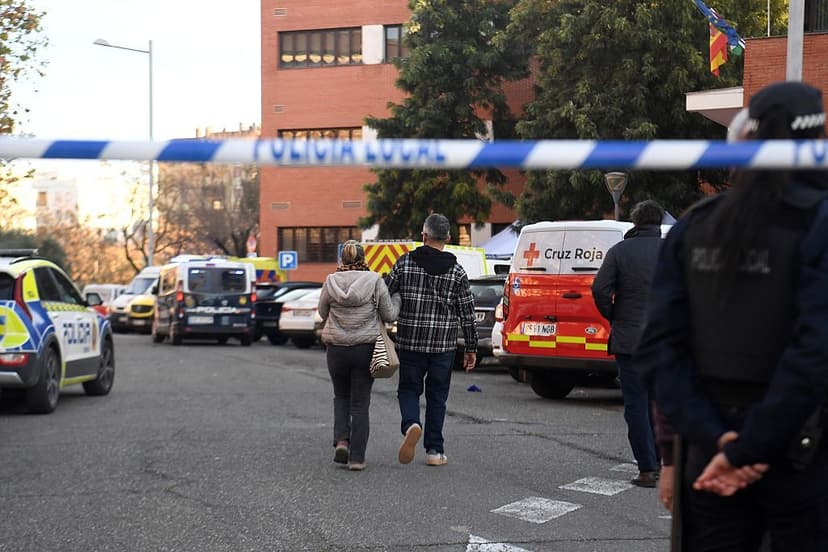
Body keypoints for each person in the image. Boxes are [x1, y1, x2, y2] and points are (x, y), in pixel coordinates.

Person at [636, 80, 828, 551]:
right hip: (802, 456)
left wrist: (718, 441)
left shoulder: (695, 227)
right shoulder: (817, 222)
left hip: (709, 456)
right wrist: (750, 446)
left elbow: (659, 349)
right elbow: (815, 351)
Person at [386, 213, 477, 467]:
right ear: (448, 238)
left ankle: (411, 424)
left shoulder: (404, 264)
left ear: (423, 235)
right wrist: (471, 348)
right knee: (437, 397)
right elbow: (467, 313)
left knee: (408, 389)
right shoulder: (457, 272)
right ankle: (435, 451)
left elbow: (384, 295)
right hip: (442, 346)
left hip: (410, 342)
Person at [592, 200, 665, 488]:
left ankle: (647, 469)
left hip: (630, 341)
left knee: (636, 404)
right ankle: (664, 462)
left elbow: (600, 289)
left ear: (635, 221)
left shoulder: (620, 252)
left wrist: (615, 315)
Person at [318, 240, 400, 471]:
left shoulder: (331, 281)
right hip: (365, 348)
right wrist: (398, 299)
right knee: (360, 404)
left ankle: (342, 441)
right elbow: (389, 314)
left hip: (336, 349)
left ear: (342, 259)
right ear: (364, 259)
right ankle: (357, 458)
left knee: (341, 397)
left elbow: (322, 311)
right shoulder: (374, 281)